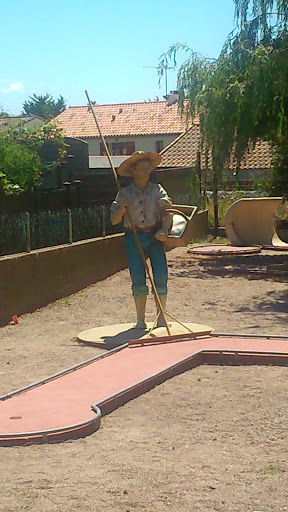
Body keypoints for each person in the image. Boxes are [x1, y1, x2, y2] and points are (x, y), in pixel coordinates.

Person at [110, 151, 173, 329]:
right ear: (133, 171)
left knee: (160, 276)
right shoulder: (125, 193)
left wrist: (164, 230)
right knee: (138, 277)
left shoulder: (157, 189)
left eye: (149, 169)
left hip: (154, 237)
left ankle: (161, 317)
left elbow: (168, 210)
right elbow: (113, 221)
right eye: (143, 169)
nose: (147, 172)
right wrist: (121, 210)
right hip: (133, 237)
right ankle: (140, 320)